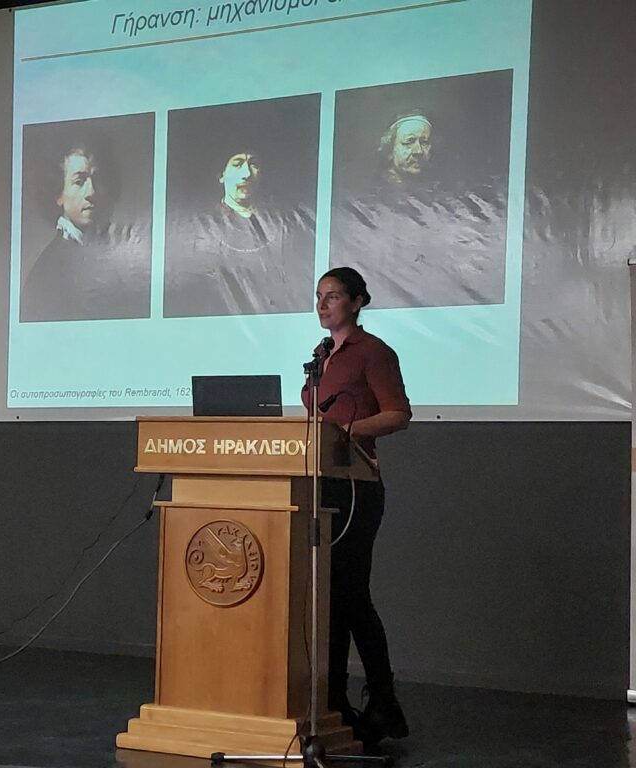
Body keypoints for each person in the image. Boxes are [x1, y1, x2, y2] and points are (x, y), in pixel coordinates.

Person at [301, 267, 411, 747]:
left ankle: (382, 701)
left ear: (358, 301)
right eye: (318, 297)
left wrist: (347, 432)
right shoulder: (320, 356)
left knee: (350, 595)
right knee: (328, 597)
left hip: (357, 489)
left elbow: (398, 414)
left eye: (333, 296)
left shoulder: (373, 352)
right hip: (320, 486)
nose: (323, 305)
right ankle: (334, 703)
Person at [330, 108, 507, 308]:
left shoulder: (445, 198)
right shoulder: (367, 201)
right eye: (408, 142)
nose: (418, 151)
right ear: (390, 150)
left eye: (424, 142)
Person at [164, 145, 315, 317]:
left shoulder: (283, 223)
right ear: (221, 175)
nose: (247, 174)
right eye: (237, 164)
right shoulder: (203, 227)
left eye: (253, 165)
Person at [20, 140, 150, 322]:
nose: (91, 192)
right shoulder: (48, 272)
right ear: (59, 194)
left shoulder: (115, 253)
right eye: (79, 182)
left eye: (98, 180)